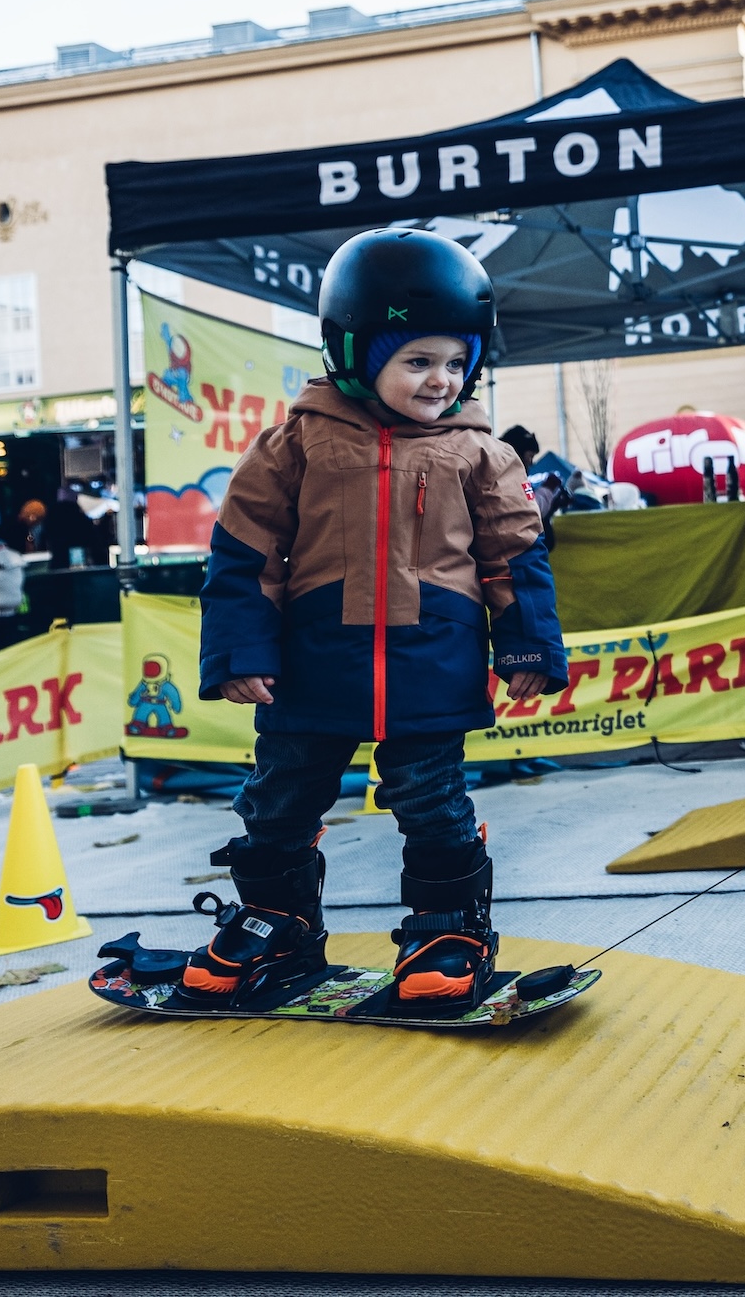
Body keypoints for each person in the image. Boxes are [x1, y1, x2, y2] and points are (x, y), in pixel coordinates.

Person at [195, 227, 566, 1008]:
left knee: (432, 799)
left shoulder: (479, 453)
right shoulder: (294, 444)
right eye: (417, 360)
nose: (441, 380)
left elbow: (515, 556)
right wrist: (238, 649)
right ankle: (275, 920)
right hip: (313, 661)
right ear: (356, 353)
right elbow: (245, 550)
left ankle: (448, 926)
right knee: (280, 796)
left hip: (432, 660)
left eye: (456, 362)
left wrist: (527, 643)